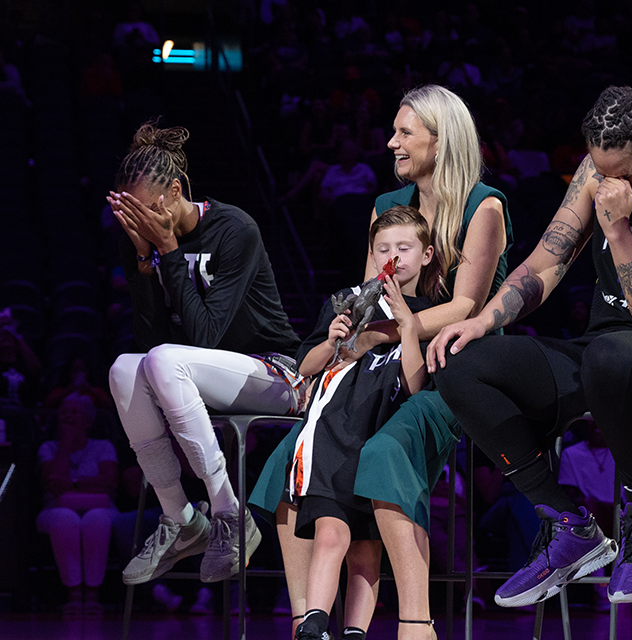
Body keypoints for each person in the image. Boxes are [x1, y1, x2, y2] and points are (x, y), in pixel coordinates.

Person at [429, 85, 632, 607]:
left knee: (613, 354)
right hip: (598, 356)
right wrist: (482, 321)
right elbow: (549, 258)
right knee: (461, 364)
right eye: (601, 171)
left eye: (626, 175)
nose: (612, 184)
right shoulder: (597, 173)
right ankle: (568, 526)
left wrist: (616, 230)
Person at [249, 84, 513, 640]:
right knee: (290, 457)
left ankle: (416, 622)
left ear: (441, 142)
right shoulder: (386, 211)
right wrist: (347, 337)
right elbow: (368, 297)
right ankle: (308, 622)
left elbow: (466, 305)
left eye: (404, 132)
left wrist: (395, 331)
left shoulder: (483, 206)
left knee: (385, 450)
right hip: (382, 361)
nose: (390, 141)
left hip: (453, 369)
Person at [106, 122, 304, 587]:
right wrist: (142, 259)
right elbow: (152, 337)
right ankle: (180, 519)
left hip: (274, 372)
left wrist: (170, 250)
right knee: (123, 368)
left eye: (151, 209)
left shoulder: (235, 229)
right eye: (133, 215)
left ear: (175, 191)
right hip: (195, 375)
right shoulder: (147, 244)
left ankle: (230, 515)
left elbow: (204, 338)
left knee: (162, 361)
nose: (146, 222)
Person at [290, 206, 438, 640]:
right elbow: (305, 367)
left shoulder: (431, 312)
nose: (393, 256)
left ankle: (354, 631)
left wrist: (408, 328)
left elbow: (414, 386)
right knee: (331, 533)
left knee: (366, 551)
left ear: (426, 255)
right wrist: (333, 341)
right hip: (331, 435)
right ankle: (313, 626)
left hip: (377, 442)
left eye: (404, 248)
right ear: (372, 255)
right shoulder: (345, 301)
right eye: (383, 248)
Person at [36, 393, 120, 617]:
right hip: (54, 508)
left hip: (102, 507)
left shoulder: (103, 446)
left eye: (74, 412)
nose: (67, 416)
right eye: (64, 411)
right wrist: (65, 445)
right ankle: (73, 593)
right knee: (65, 518)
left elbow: (109, 482)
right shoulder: (48, 447)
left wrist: (72, 483)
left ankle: (92, 593)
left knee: (96, 519)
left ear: (89, 421)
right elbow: (53, 484)